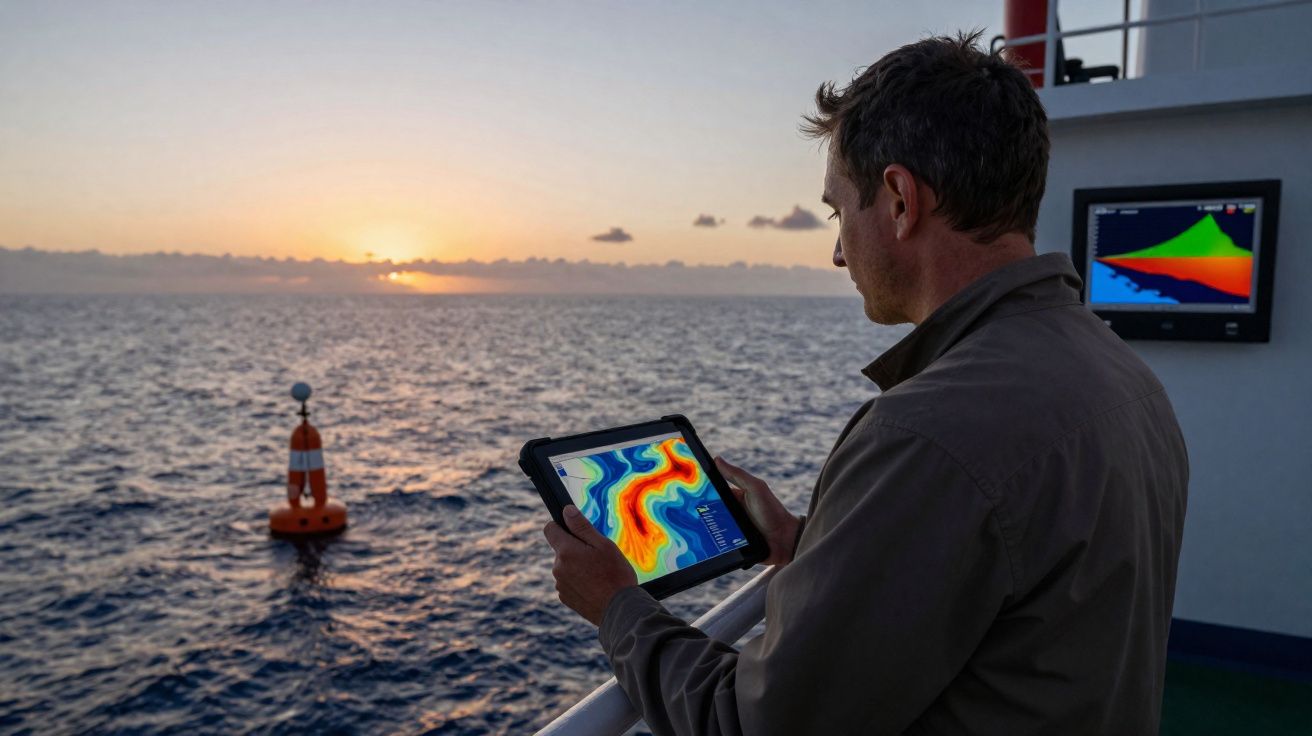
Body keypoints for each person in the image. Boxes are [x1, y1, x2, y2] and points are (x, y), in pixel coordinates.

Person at [543, 31, 1189, 735]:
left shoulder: (927, 436)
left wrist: (617, 608)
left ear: (901, 200)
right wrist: (812, 546)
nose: (836, 251)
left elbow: (753, 724)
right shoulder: (1121, 375)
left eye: (838, 211)